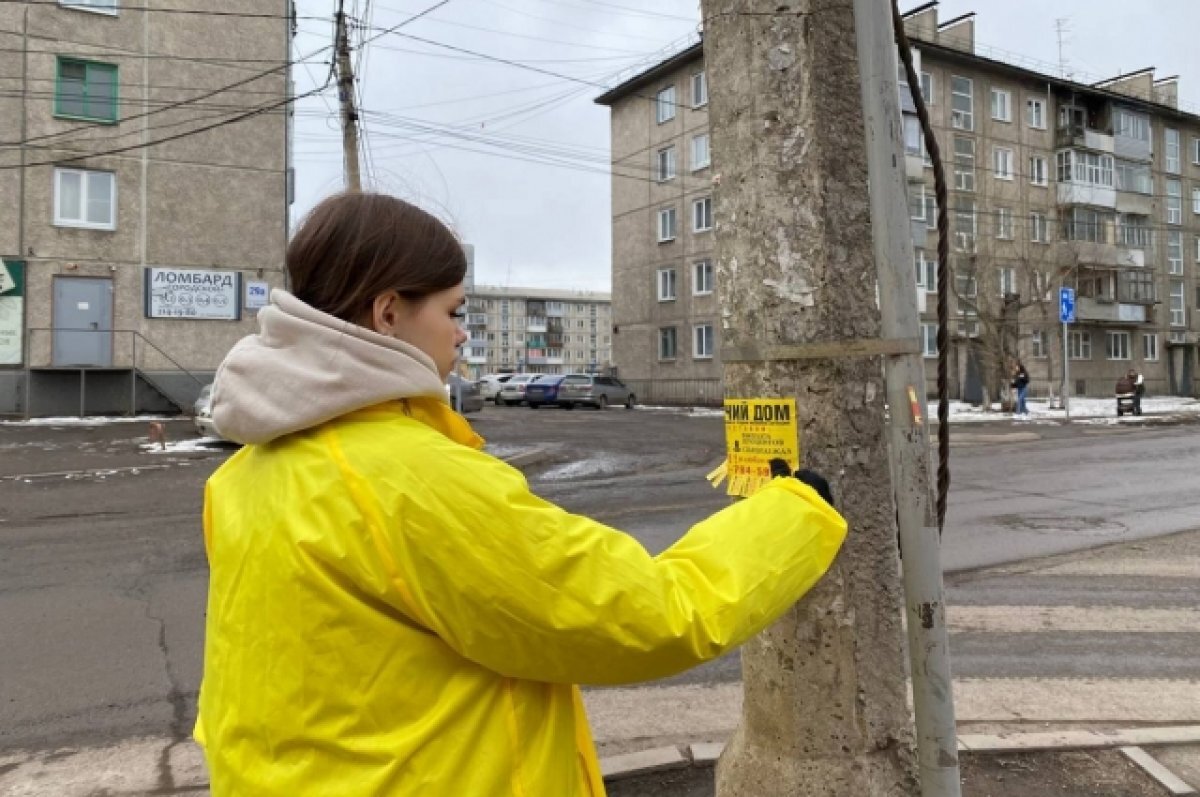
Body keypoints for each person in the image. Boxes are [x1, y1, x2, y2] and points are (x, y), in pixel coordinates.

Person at [195, 193, 848, 796]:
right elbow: (644, 616)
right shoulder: (412, 479)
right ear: (388, 312)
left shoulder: (244, 475)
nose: (462, 335)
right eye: (453, 312)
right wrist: (793, 514)